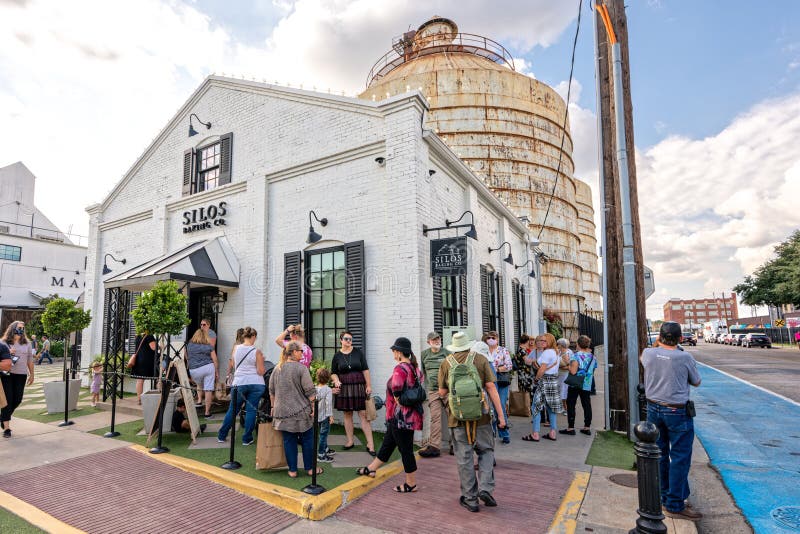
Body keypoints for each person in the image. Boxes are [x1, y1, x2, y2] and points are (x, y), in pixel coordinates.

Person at [438, 332, 507, 513]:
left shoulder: (446, 363)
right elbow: (491, 388)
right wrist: (501, 416)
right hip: (481, 415)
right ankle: (485, 488)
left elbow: (442, 392)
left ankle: (470, 499)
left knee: (464, 457)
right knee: (486, 450)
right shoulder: (481, 359)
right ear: (468, 345)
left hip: (457, 418)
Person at [641, 321, 702, 521]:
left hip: (653, 408)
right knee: (680, 457)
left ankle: (664, 495)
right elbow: (696, 381)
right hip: (676, 410)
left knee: (659, 454)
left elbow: (650, 353)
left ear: (659, 337)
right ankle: (675, 503)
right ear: (680, 338)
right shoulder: (684, 356)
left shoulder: (648, 354)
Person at [356, 337, 422, 494]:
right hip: (408, 416)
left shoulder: (400, 369)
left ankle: (411, 483)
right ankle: (371, 469)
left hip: (400, 417)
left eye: (394, 351)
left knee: (405, 449)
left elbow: (397, 391)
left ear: (399, 353)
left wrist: (395, 403)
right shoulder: (414, 368)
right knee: (388, 444)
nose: (393, 354)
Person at [269, 341, 321, 478]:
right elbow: (310, 391)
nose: (302, 353)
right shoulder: (301, 369)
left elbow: (271, 391)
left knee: (288, 440)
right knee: (308, 438)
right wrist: (315, 407)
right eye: (300, 351)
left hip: (282, 412)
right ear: (293, 352)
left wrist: (273, 407)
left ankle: (292, 470)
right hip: (301, 411)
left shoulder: (277, 368)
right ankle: (310, 469)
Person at [218, 327, 265, 446]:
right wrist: (261, 361)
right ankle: (246, 439)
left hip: (239, 382)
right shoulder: (256, 351)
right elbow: (261, 371)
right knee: (251, 411)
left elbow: (233, 364)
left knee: (233, 409)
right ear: (253, 336)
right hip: (256, 383)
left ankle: (222, 435)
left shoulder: (236, 348)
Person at [330, 330, 375, 455]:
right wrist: (336, 380)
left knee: (363, 414)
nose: (349, 341)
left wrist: (369, 385)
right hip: (344, 388)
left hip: (359, 386)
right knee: (347, 414)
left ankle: (370, 444)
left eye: (350, 339)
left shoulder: (358, 352)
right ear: (341, 340)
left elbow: (365, 369)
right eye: (346, 339)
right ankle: (350, 441)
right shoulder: (337, 356)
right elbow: (333, 372)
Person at [522, 333, 560, 442]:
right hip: (553, 380)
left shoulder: (547, 352)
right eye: (540, 340)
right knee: (550, 408)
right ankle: (553, 432)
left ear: (550, 341)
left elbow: (542, 369)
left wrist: (536, 379)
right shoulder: (555, 352)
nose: (541, 342)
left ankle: (535, 434)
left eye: (544, 341)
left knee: (535, 407)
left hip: (544, 380)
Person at [419, 331, 450, 457]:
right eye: (434, 340)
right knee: (435, 418)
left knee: (453, 417)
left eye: (438, 339)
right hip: (433, 391)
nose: (437, 341)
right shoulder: (424, 354)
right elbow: (423, 373)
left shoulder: (447, 353)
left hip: (447, 390)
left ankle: (455, 445)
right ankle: (434, 446)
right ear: (428, 342)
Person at [1, 321, 35, 438]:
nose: (21, 330)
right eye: (19, 328)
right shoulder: (4, 343)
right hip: (7, 374)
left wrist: (32, 374)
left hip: (21, 374)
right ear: (12, 328)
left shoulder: (27, 343)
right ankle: (7, 428)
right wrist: (8, 352)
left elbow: (30, 359)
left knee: (18, 399)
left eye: (23, 328)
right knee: (8, 400)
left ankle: (3, 418)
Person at [560, 335, 597, 436]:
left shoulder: (576, 356)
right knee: (586, 405)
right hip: (587, 384)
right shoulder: (592, 356)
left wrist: (567, 366)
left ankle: (571, 428)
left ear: (578, 344)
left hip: (575, 384)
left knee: (571, 404)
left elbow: (573, 371)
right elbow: (593, 369)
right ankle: (587, 427)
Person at [483, 330, 513, 444]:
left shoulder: (503, 350)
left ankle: (504, 433)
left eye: (493, 337)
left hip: (501, 381)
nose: (491, 339)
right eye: (489, 337)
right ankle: (493, 431)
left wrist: (497, 369)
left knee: (499, 405)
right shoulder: (484, 351)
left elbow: (509, 365)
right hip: (489, 381)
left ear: (498, 339)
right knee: (490, 407)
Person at [185, 328, 218, 418]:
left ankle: (199, 401)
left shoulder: (189, 345)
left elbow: (186, 355)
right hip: (208, 368)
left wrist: (190, 362)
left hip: (194, 370)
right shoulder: (209, 345)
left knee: (199, 384)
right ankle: (207, 413)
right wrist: (217, 372)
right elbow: (214, 359)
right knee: (208, 389)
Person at [130, 331, 157, 405]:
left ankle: (139, 400)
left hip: (138, 360)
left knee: (140, 380)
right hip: (146, 361)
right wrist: (160, 346)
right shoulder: (149, 336)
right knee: (157, 377)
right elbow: (154, 347)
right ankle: (158, 397)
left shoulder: (138, 335)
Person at [315, 367, 335, 462]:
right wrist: (330, 416)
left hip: (316, 416)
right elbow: (328, 404)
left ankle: (326, 448)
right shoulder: (328, 390)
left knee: (321, 434)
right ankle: (321, 454)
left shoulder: (314, 388)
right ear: (328, 378)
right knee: (323, 435)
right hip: (324, 417)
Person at [556, 338, 573, 415]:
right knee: (561, 391)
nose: (557, 345)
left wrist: (560, 367)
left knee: (564, 392)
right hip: (559, 375)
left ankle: (566, 409)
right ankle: (563, 408)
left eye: (558, 344)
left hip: (564, 375)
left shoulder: (566, 353)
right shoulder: (559, 352)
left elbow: (570, 367)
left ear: (562, 345)